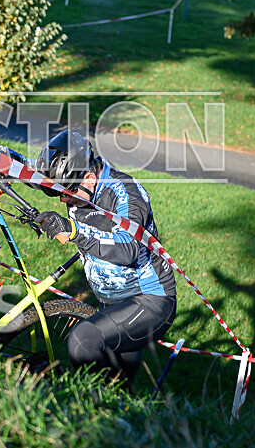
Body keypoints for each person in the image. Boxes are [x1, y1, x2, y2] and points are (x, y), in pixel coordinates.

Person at [31, 130, 177, 389]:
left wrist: (74, 230)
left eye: (66, 192)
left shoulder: (125, 192)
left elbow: (128, 247)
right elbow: (18, 168)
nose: (63, 199)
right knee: (121, 387)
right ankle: (120, 416)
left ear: (88, 177)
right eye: (56, 193)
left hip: (150, 300)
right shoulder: (76, 182)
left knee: (82, 341)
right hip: (111, 303)